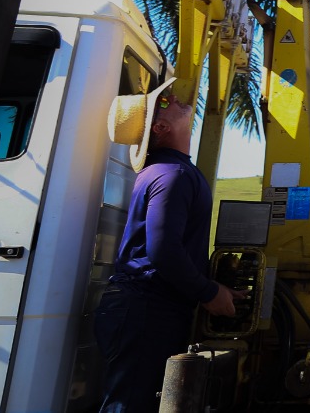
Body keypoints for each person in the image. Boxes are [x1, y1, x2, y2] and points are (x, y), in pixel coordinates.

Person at [96, 78, 236, 413]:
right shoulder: (171, 175)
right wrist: (208, 292)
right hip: (147, 311)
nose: (172, 97)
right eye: (163, 102)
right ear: (160, 126)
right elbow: (162, 249)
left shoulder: (170, 172)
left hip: (148, 309)